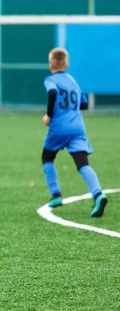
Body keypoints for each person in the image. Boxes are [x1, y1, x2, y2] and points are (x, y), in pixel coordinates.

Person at [41, 48, 107, 217]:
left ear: (50, 65)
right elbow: (83, 104)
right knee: (82, 163)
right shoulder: (72, 80)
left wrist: (49, 114)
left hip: (59, 127)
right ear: (67, 64)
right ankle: (98, 194)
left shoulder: (50, 80)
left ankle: (56, 195)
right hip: (77, 127)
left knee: (47, 157)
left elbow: (53, 92)